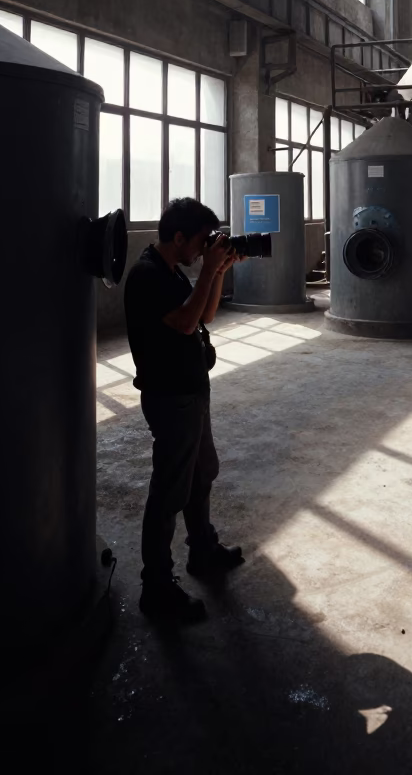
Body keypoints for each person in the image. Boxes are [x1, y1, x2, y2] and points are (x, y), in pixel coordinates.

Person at [124, 197, 244, 622]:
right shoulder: (147, 275)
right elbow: (185, 323)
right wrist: (208, 270)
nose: (204, 249)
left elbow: (204, 315)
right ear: (178, 237)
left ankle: (203, 549)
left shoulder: (172, 270)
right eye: (201, 241)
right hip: (170, 397)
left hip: (192, 390)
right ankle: (156, 587)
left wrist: (218, 271)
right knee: (169, 491)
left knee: (201, 474)